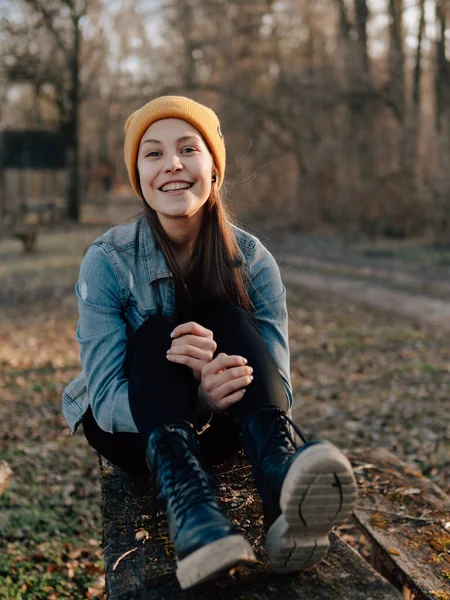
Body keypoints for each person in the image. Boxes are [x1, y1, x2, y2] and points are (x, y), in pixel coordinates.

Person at [62, 96, 357, 590]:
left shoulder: (253, 260)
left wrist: (221, 397)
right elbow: (107, 398)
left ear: (213, 169)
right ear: (139, 177)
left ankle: (283, 493)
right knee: (158, 336)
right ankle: (195, 517)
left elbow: (278, 389)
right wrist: (197, 399)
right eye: (153, 154)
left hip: (229, 429)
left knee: (231, 322)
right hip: (136, 435)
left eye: (187, 149)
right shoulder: (108, 260)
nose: (172, 164)